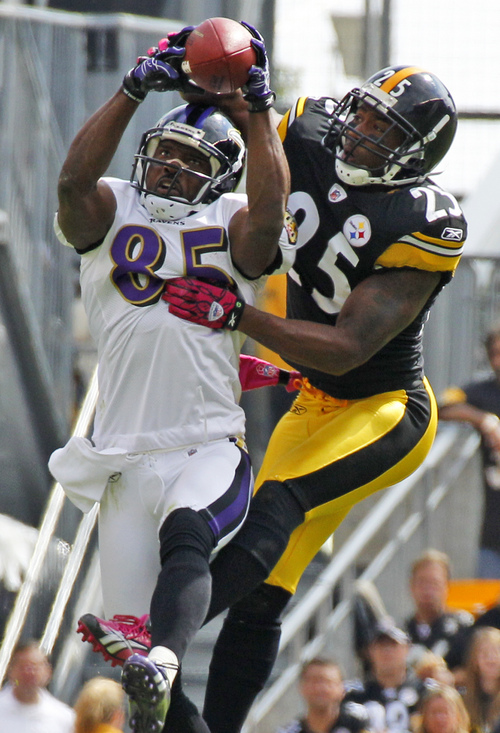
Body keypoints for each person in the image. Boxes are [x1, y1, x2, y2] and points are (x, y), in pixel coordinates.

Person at [82, 55, 467, 732]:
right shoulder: (312, 132)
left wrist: (240, 315)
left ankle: (155, 642)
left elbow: (348, 346)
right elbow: (239, 108)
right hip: (314, 398)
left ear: (416, 154)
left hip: (385, 410)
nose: (360, 130)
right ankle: (172, 672)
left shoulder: (425, 219)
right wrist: (198, 70)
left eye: (384, 128)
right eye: (364, 112)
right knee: (263, 597)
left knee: (277, 505)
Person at [48, 20, 291, 733]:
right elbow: (72, 181)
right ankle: (160, 676)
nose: (172, 170)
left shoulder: (233, 220)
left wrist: (260, 111)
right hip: (123, 459)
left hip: (205, 442)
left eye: (191, 161)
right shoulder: (111, 206)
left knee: (185, 545)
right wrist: (131, 89)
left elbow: (270, 213)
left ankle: (162, 653)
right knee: (143, 691)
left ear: (219, 173)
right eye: (166, 155)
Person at [439, 325, 500, 579]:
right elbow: (443, 405)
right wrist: (484, 419)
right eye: (495, 353)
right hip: (493, 536)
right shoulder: (484, 392)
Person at [344, 619, 425, 733]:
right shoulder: (353, 695)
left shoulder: (423, 692)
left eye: (393, 645)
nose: (387, 651)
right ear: (370, 651)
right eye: (381, 645)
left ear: (407, 648)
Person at [404, 549, 474, 667]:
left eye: (434, 583)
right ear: (411, 586)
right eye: (422, 582)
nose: (428, 590)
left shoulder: (464, 628)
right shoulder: (402, 634)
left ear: (447, 587)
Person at [276, 657, 370, 733]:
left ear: (342, 689)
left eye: (328, 682)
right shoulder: (290, 731)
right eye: (314, 681)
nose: (320, 688)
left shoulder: (360, 724)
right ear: (301, 687)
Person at [0, 639, 75, 733]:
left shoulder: (64, 719)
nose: (29, 672)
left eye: (35, 667)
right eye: (23, 666)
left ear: (48, 672)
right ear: (10, 671)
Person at [461, 626, 500, 733]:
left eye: (496, 652)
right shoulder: (462, 700)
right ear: (474, 658)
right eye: (485, 652)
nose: (491, 658)